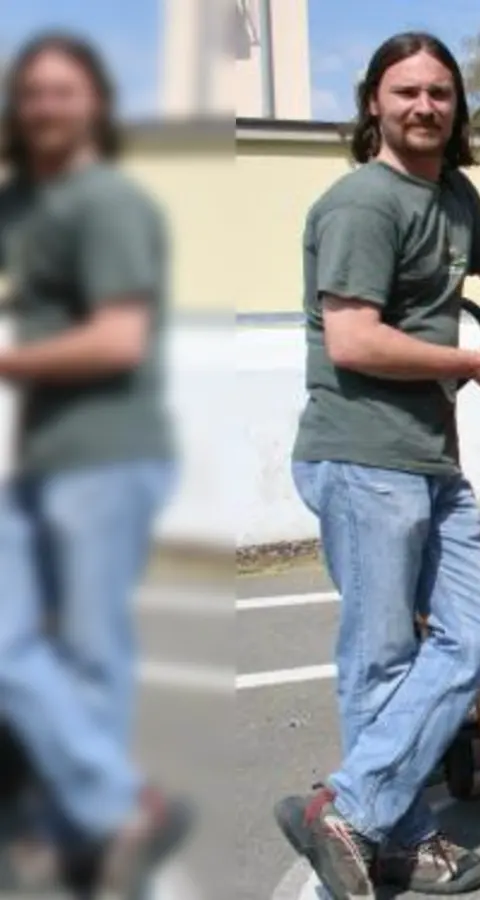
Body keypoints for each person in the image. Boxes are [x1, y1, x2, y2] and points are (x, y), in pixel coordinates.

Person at [270, 32, 480, 900]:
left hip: (428, 456)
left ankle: (350, 810)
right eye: (406, 91)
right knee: (381, 658)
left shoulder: (454, 194)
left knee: (479, 633)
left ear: (457, 107)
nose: (424, 106)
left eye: (440, 93)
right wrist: (472, 364)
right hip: (362, 455)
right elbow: (352, 340)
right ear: (373, 103)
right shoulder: (361, 204)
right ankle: (399, 837)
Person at [0, 31, 191, 897]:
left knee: (84, 654)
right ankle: (99, 810)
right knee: (39, 650)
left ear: (94, 106)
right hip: (45, 456)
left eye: (62, 91)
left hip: (105, 456)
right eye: (32, 92)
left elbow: (118, 339)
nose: (45, 106)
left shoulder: (108, 202)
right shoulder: (32, 204)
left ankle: (97, 819)